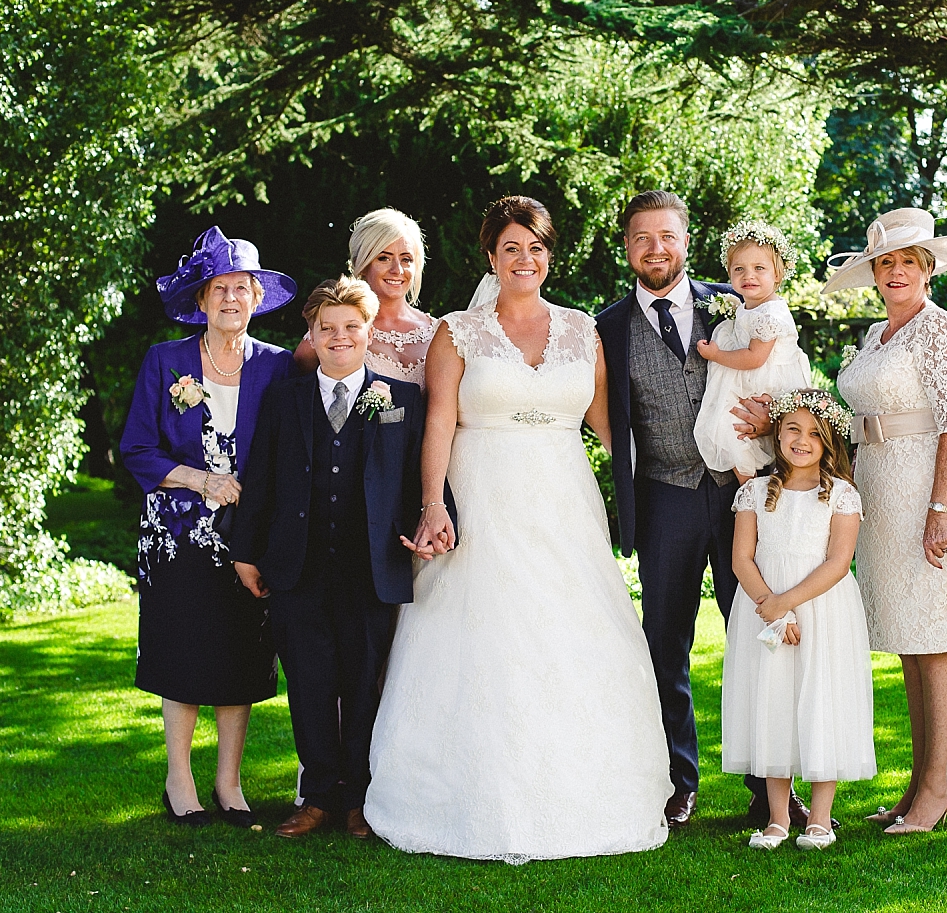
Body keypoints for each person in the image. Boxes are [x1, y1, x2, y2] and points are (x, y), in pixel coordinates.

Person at [364, 195, 672, 862]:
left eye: (534, 247)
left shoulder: (581, 330)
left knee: (572, 636)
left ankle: (583, 789)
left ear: (549, 255)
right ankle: (467, 791)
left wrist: (664, 477)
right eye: (510, 248)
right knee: (485, 637)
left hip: (565, 503)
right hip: (483, 499)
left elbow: (607, 425)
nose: (524, 259)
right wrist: (433, 504)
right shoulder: (457, 331)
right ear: (491, 258)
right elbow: (439, 419)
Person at [596, 191, 806, 828]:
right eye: (641, 238)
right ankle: (677, 781)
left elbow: (792, 377)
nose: (655, 249)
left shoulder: (740, 300)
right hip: (663, 497)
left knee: (760, 634)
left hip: (745, 495)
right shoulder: (605, 325)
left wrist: (778, 419)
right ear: (627, 247)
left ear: (686, 241)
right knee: (666, 644)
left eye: (667, 236)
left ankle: (769, 787)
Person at [230, 275, 425, 841]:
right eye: (326, 328)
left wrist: (439, 520)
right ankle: (317, 797)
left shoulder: (401, 400)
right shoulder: (285, 399)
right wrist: (246, 552)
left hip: (370, 566)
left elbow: (420, 476)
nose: (339, 337)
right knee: (311, 683)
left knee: (365, 683)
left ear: (369, 332)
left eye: (350, 327)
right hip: (297, 566)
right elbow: (260, 476)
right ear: (311, 334)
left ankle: (361, 800)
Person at [119, 227, 297, 828]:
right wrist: (201, 482)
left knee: (243, 653)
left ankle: (229, 782)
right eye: (218, 289)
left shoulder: (276, 366)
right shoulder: (165, 361)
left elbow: (285, 449)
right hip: (175, 533)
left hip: (248, 534)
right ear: (201, 300)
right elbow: (137, 449)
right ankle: (179, 779)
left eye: (240, 290)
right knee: (183, 648)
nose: (229, 300)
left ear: (255, 299)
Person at [823, 207, 947, 834]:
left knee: (936, 638)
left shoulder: (940, 332)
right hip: (881, 493)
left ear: (927, 268)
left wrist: (939, 508)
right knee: (908, 644)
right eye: (884, 263)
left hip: (926, 493)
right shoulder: (875, 336)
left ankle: (938, 787)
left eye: (905, 262)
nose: (894, 272)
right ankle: (918, 785)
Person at [722, 389, 876, 851]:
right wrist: (772, 606)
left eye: (814, 433)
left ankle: (821, 820)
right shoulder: (754, 490)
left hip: (822, 609)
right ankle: (777, 818)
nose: (802, 440)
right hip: (765, 608)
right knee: (773, 701)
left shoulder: (842, 496)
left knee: (820, 699)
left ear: (828, 441)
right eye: (793, 429)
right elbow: (742, 559)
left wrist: (788, 601)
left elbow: (837, 562)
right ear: (778, 432)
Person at [692, 220, 813, 483]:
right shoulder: (748, 307)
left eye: (759, 268)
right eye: (739, 269)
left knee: (731, 421)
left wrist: (715, 354)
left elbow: (754, 357)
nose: (749, 276)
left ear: (777, 274)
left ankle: (759, 485)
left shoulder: (770, 312)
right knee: (731, 425)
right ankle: (749, 486)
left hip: (769, 382)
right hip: (752, 380)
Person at [294, 208, 436, 388]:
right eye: (384, 258)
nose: (397, 270)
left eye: (406, 259)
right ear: (362, 264)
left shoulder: (437, 332)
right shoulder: (329, 334)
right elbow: (298, 398)